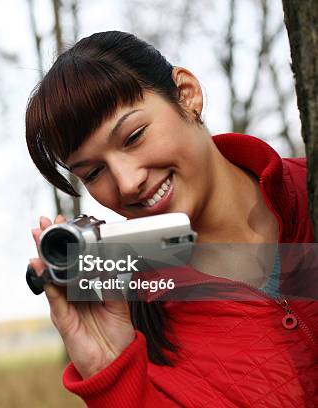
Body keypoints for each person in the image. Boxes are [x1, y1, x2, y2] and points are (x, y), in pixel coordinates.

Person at [25, 31, 317, 407]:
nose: (128, 183)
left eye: (134, 137)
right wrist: (112, 376)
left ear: (186, 94)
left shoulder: (308, 192)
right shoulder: (139, 323)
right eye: (94, 173)